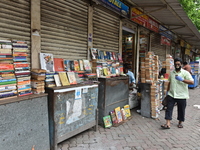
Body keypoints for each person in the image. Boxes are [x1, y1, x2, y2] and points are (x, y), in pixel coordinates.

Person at [161, 58, 194, 129]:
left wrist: (182, 79)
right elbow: (169, 82)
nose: (177, 65)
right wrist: (167, 92)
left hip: (182, 95)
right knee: (169, 108)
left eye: (178, 64)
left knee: (181, 109)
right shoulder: (172, 73)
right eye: (176, 64)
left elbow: (192, 82)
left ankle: (180, 122)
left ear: (181, 64)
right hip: (172, 94)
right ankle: (168, 123)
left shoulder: (185, 73)